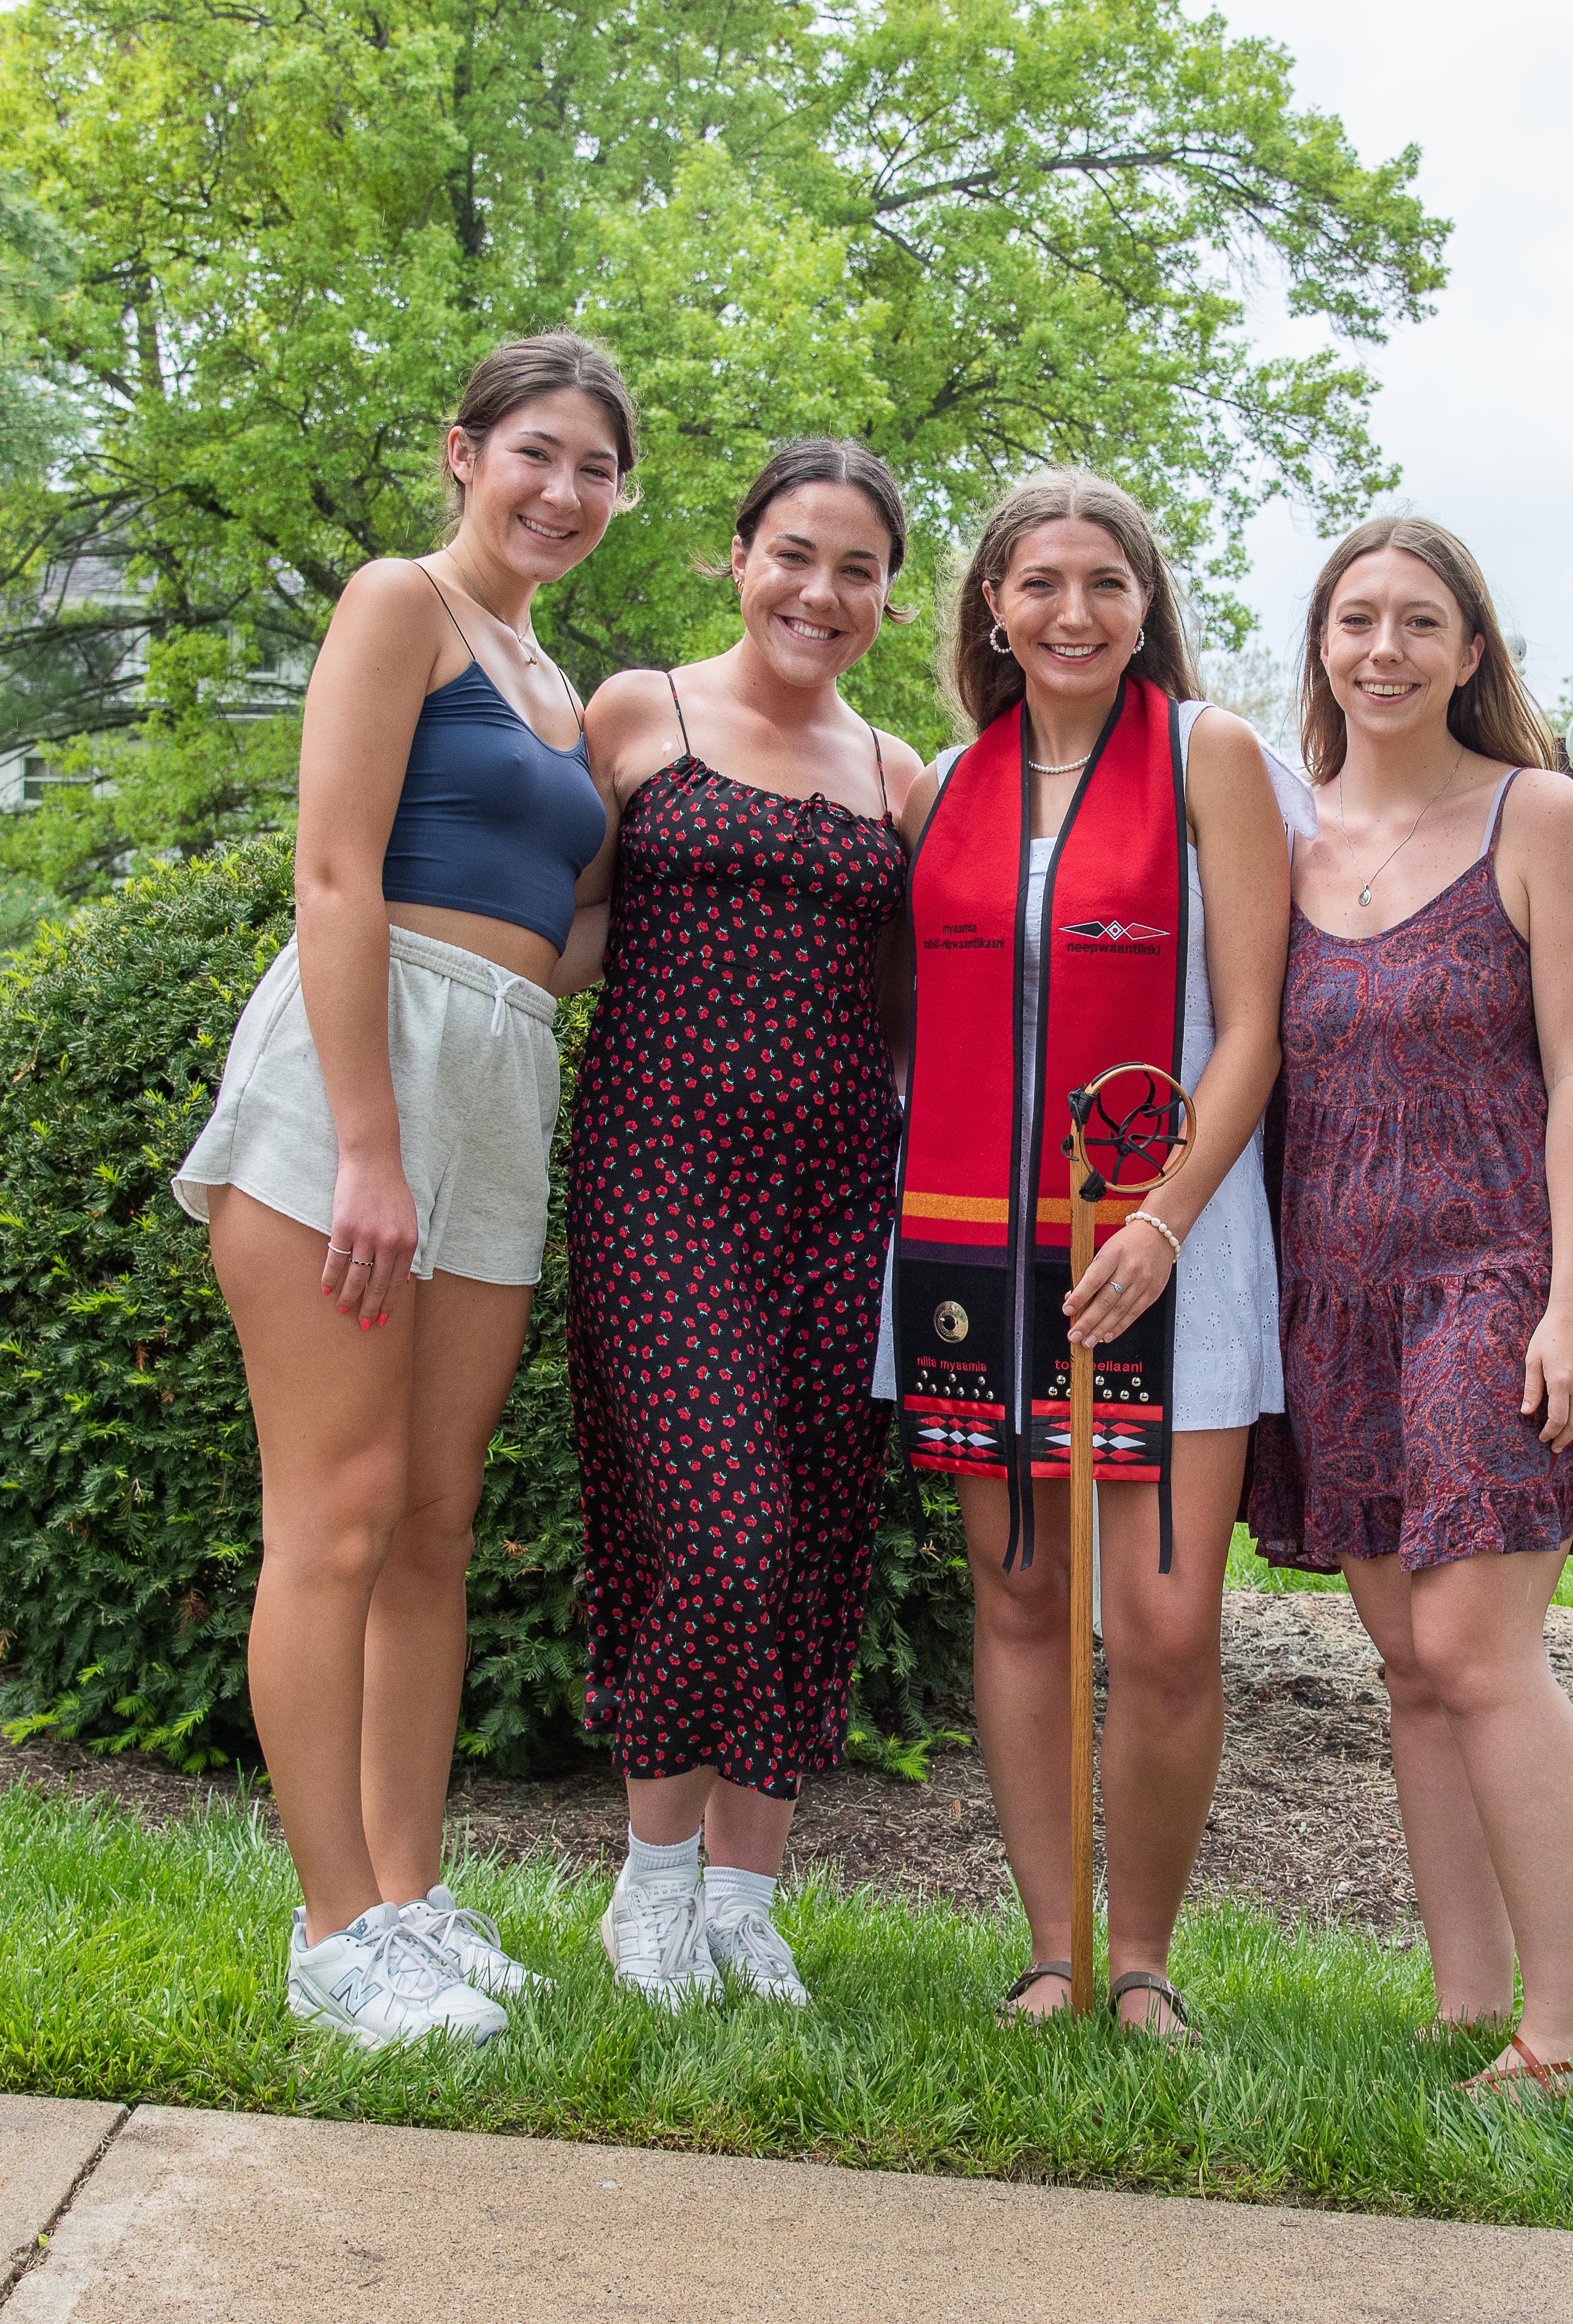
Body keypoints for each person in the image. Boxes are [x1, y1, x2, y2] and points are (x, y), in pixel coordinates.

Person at [170, 331, 633, 2047]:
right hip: (359, 1071)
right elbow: (332, 869)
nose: (563, 493)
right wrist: (366, 1140)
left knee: (436, 1520)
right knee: (343, 1513)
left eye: (596, 468)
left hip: (502, 1074)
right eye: (536, 454)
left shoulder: (558, 686)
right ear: (463, 454)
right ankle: (330, 1930)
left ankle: (412, 1903)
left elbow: (565, 932)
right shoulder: (399, 604)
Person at [874, 470, 1291, 2039]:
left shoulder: (1208, 758)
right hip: (976, 1242)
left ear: (1145, 605)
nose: (1070, 612)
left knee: (1169, 1626)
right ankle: (1051, 1951)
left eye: (1103, 583)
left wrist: (1165, 1218)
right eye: (1038, 583)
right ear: (990, 605)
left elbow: (1252, 1027)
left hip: (1171, 1242)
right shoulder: (941, 789)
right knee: (1021, 1599)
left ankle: (1146, 1967)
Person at [1247, 513, 1573, 2095]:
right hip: (1331, 1290)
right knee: (1406, 1662)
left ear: (1471, 652)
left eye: (1421, 622)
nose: (1384, 650)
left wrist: (1569, 1306)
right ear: (1321, 649)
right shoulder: (1275, 837)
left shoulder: (1532, 816)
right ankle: (1467, 2002)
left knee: (1478, 1650)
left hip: (1495, 1275)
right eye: (1357, 620)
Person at [559, 440, 927, 2009]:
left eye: (855, 570)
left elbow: (920, 1015)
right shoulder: (638, 711)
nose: (819, 592)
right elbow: (560, 925)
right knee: (716, 1533)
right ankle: (647, 1890)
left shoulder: (901, 775)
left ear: (889, 600)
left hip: (846, 1200)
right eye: (793, 554)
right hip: (662, 1184)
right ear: (734, 558)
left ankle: (744, 1900)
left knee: (813, 1545)